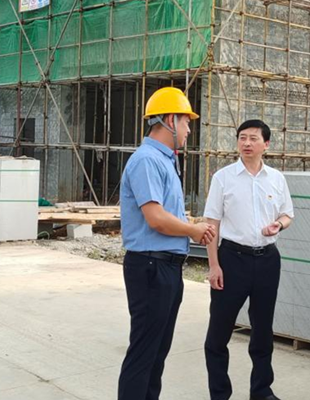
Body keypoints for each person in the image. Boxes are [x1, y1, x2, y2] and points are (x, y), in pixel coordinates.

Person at [118, 87, 215, 400]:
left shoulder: (165, 161)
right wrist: (192, 230)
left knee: (157, 351)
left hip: (165, 267)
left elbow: (167, 214)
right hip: (151, 266)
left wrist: (190, 225)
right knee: (144, 352)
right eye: (186, 122)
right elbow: (156, 218)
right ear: (171, 120)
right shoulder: (147, 160)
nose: (189, 130)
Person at [203, 119, 294, 400]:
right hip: (232, 260)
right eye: (242, 137)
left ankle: (262, 391)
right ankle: (220, 394)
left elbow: (287, 214)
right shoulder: (223, 178)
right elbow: (211, 223)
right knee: (219, 333)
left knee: (263, 330)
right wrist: (214, 265)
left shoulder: (276, 178)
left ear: (266, 144)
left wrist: (279, 224)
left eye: (253, 138)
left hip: (267, 261)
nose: (246, 143)